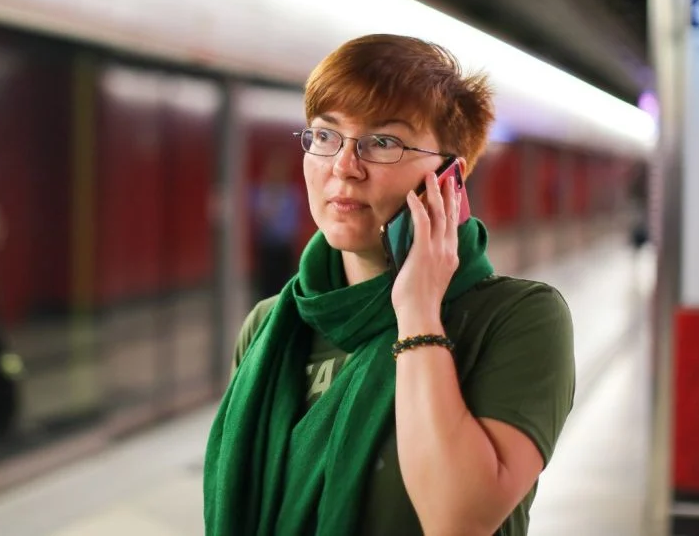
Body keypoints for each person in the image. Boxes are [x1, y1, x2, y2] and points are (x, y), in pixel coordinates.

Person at [204, 34, 575, 535]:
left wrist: (418, 311)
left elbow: (458, 520)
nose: (344, 167)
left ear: (449, 179)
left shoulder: (519, 318)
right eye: (325, 135)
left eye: (383, 142)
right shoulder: (270, 325)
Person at [251, 150, 302, 299]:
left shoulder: (291, 193)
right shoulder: (260, 192)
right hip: (267, 245)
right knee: (266, 284)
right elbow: (259, 217)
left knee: (283, 282)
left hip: (285, 246)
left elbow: (293, 221)